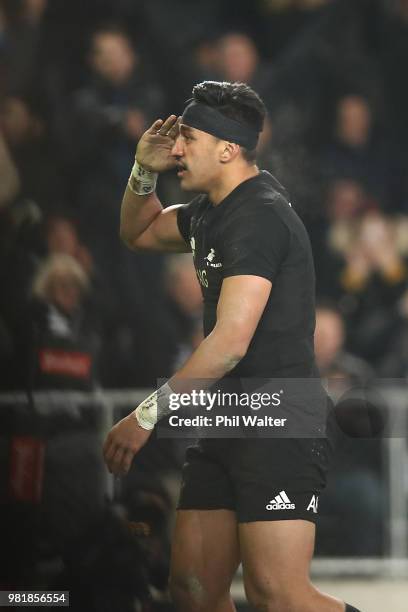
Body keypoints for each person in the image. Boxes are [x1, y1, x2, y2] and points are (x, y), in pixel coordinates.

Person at [103, 80, 361, 612]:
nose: (177, 148)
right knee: (193, 592)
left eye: (188, 138)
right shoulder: (208, 212)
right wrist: (142, 170)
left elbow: (229, 344)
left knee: (279, 595)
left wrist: (147, 415)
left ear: (227, 147)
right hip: (227, 417)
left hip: (279, 420)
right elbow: (139, 232)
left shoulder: (259, 213)